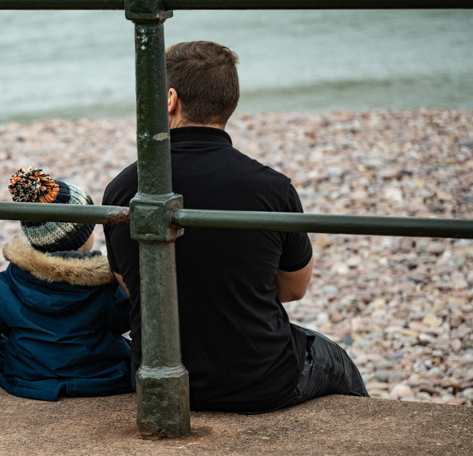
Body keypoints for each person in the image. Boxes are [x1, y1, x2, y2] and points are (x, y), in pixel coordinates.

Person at [102, 41, 368, 413]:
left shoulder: (123, 190)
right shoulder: (272, 189)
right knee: (335, 359)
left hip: (157, 381)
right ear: (230, 102)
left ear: (170, 100)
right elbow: (294, 288)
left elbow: (133, 286)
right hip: (261, 381)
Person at [0, 167, 132, 401]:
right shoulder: (105, 285)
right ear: (83, 236)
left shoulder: (9, 280)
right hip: (99, 375)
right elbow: (125, 318)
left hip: (28, 376)